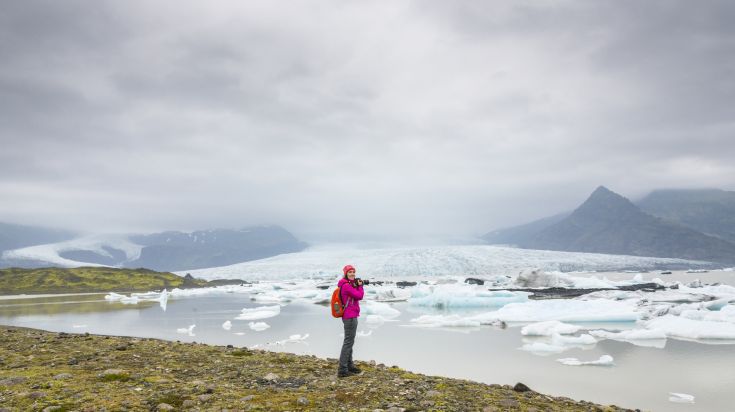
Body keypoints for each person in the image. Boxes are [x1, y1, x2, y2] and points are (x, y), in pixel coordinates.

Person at [337, 264, 364, 378]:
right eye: (350, 272)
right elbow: (359, 296)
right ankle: (342, 370)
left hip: (350, 315)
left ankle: (349, 365)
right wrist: (360, 286)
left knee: (350, 341)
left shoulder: (347, 284)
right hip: (350, 317)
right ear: (346, 274)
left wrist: (356, 285)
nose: (352, 273)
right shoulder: (346, 286)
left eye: (353, 271)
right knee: (348, 342)